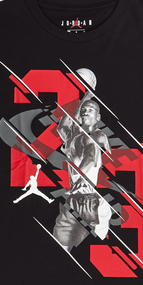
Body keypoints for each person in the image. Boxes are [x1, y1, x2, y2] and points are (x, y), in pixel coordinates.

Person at [53, 69, 112, 251]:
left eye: (90, 110)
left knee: (89, 252)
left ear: (98, 117)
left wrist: (80, 177)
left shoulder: (98, 136)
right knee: (60, 246)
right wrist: (85, 98)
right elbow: (62, 127)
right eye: (84, 110)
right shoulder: (73, 138)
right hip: (74, 199)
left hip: (91, 200)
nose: (85, 112)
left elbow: (90, 157)